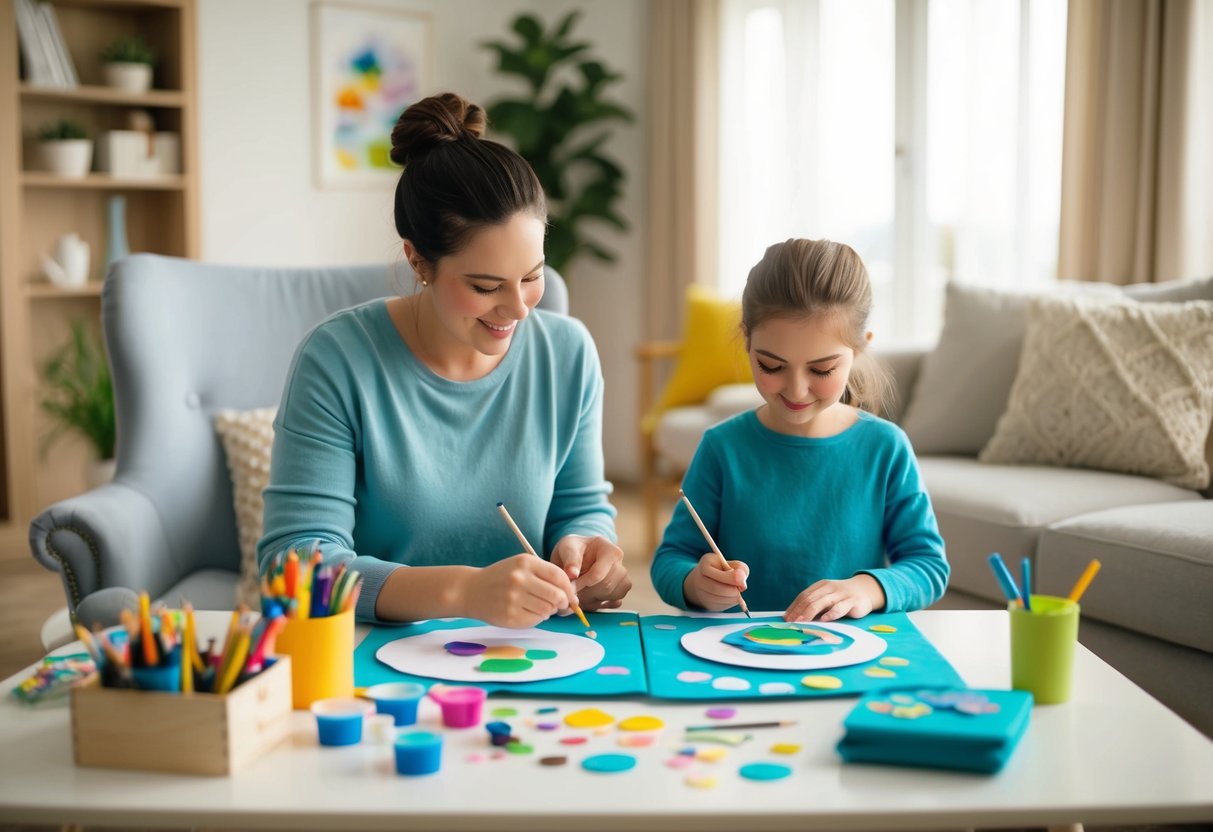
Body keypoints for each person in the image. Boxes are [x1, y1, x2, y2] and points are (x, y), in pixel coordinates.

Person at [259, 92, 630, 627]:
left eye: (532, 276)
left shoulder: (568, 354)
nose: (519, 308)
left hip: (527, 655)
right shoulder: (336, 360)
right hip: (374, 660)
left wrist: (587, 549)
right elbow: (292, 566)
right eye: (485, 286)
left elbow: (581, 507)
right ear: (418, 260)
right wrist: (463, 590)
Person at [650, 239, 948, 622]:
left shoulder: (884, 448)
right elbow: (669, 561)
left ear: (860, 350)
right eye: (771, 366)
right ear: (747, 341)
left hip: (847, 658)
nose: (795, 390)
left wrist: (865, 589)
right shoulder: (722, 447)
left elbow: (928, 566)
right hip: (740, 654)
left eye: (822, 370)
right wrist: (696, 583)